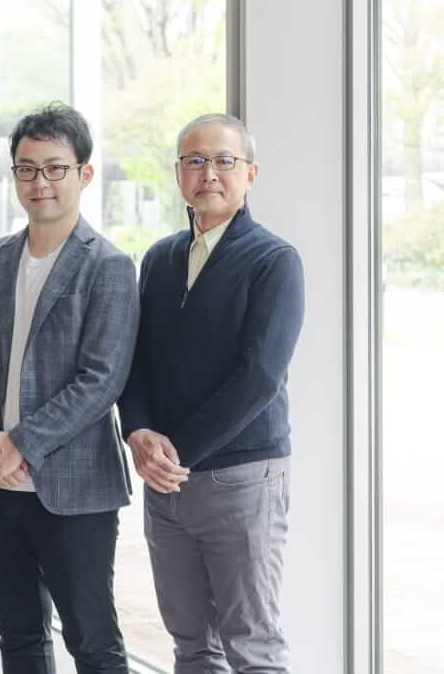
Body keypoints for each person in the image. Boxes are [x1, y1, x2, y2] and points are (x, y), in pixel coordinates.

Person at [0, 102, 139, 673]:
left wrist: (20, 444)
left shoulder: (108, 266)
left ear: (84, 173)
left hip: (75, 487)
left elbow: (101, 379)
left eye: (56, 168)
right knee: (18, 636)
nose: (40, 183)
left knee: (92, 640)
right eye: (27, 169)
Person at [119, 114, 305, 673]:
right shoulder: (160, 259)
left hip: (240, 478)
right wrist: (138, 431)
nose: (209, 173)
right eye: (195, 160)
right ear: (179, 173)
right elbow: (136, 360)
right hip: (167, 482)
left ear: (250, 173)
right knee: (192, 647)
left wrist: (176, 453)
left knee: (253, 647)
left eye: (224, 160)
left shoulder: (274, 261)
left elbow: (260, 376)